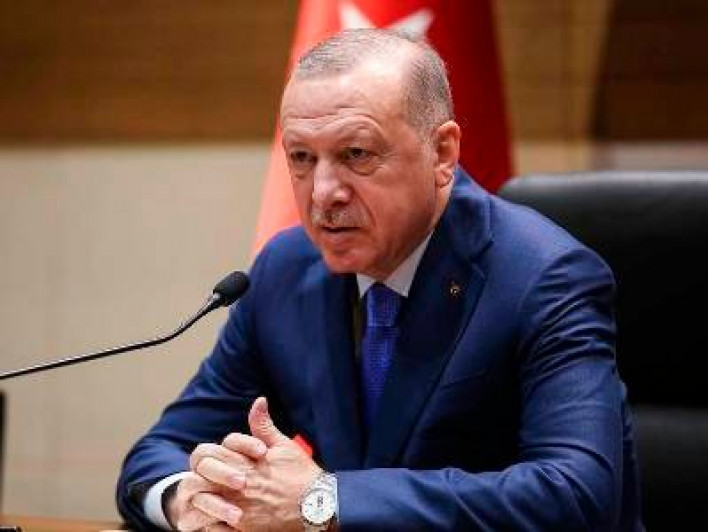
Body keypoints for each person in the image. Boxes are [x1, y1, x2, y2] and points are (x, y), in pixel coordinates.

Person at [117, 29, 643, 531]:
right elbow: (162, 450)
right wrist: (189, 499)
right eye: (301, 157)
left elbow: (577, 495)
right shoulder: (286, 270)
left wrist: (325, 501)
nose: (323, 192)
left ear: (442, 153)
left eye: (356, 154)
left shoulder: (544, 277)